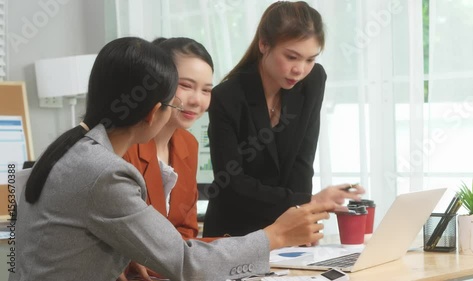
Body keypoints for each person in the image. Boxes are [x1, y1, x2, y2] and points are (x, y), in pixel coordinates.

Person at [9, 37, 336, 281]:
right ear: (155, 112)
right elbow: (184, 259)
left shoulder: (79, 152)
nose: (192, 104)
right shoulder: (106, 173)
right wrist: (275, 235)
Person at [204, 1, 365, 238]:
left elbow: (302, 161)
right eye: (291, 57)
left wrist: (304, 220)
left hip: (289, 230)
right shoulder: (226, 97)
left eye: (310, 59)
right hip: (234, 233)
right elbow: (231, 184)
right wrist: (309, 201)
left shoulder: (313, 81)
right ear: (264, 44)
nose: (300, 70)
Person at [121, 37, 216, 280]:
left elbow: (186, 228)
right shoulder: (126, 144)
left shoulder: (188, 144)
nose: (197, 100)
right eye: (186, 85)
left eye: (206, 90)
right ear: (159, 81)